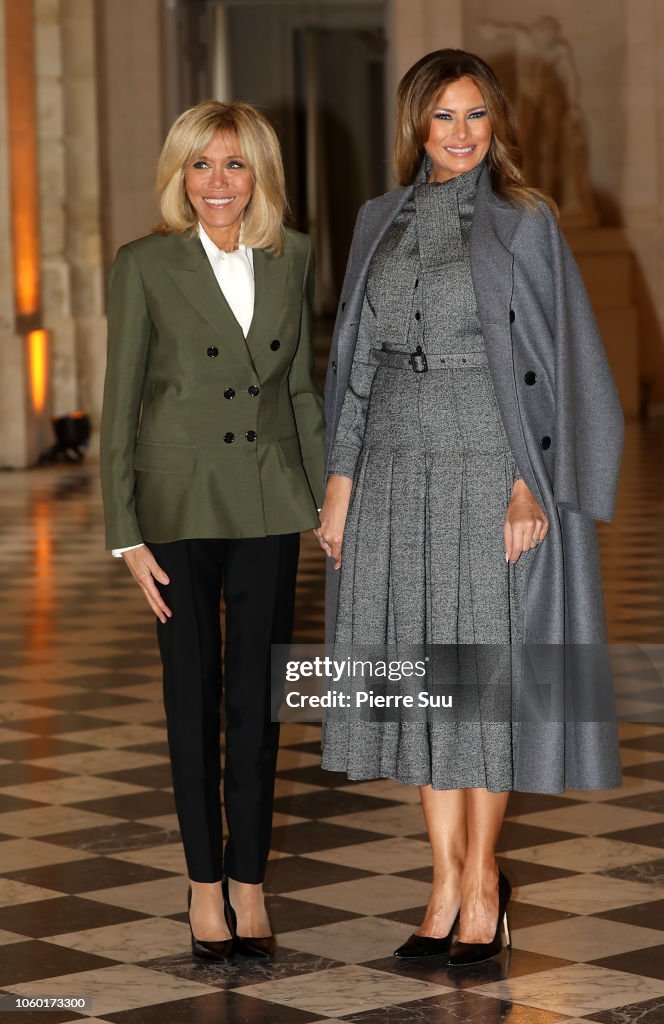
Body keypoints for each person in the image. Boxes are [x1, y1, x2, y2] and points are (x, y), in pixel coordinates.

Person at [318, 49, 623, 968]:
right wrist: (339, 482)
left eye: (475, 117)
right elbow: (356, 361)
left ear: (496, 126)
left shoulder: (524, 222)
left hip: (489, 467)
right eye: (443, 116)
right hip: (392, 467)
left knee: (479, 688)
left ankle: (483, 883)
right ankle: (440, 881)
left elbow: (556, 364)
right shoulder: (378, 219)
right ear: (415, 123)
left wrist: (531, 483)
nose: (459, 134)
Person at [100, 100, 324, 963]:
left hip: (267, 502)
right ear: (179, 176)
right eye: (201, 165)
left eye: (233, 165)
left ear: (258, 175)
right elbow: (120, 406)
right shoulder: (145, 265)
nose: (217, 184)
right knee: (190, 698)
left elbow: (299, 389)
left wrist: (323, 499)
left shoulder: (291, 256)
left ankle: (250, 882)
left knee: (254, 705)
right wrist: (127, 537)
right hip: (176, 509)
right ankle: (202, 884)